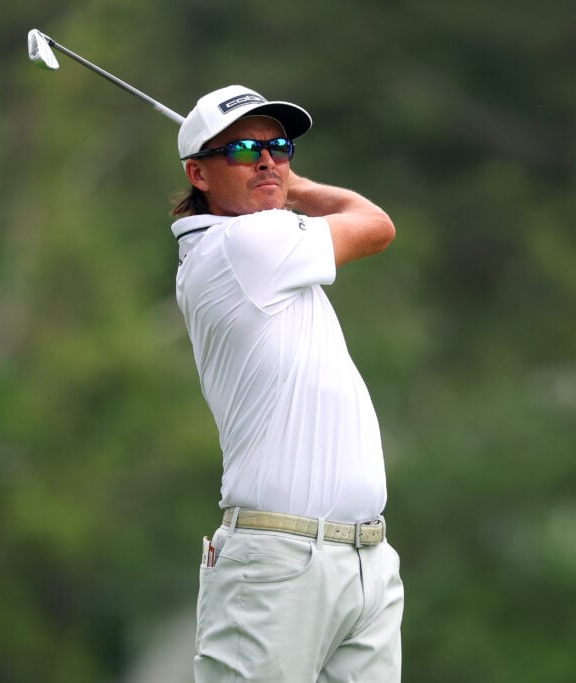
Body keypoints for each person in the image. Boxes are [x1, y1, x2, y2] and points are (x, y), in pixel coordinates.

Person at [169, 84, 403, 682]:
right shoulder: (244, 245)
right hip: (276, 563)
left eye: (280, 147)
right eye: (244, 151)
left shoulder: (268, 241)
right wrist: (294, 189)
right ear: (198, 173)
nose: (268, 160)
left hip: (365, 560)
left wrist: (271, 181)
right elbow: (376, 225)